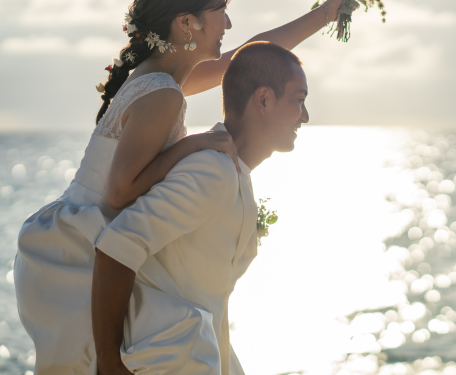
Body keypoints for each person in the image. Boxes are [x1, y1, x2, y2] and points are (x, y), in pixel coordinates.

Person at [13, 0, 356, 374]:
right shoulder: (164, 92)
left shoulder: (161, 77)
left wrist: (325, 13)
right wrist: (193, 145)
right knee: (188, 341)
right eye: (220, 11)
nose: (228, 24)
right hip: (79, 252)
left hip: (73, 240)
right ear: (186, 22)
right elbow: (121, 190)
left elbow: (247, 57)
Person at [93, 41, 307, 375]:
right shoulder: (212, 171)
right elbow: (117, 246)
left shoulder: (235, 176)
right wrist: (108, 361)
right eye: (299, 100)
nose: (305, 116)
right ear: (263, 100)